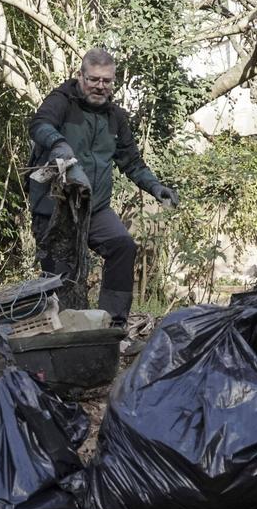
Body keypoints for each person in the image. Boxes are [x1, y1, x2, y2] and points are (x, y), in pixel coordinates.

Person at [28, 48, 179, 334]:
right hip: (55, 209)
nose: (100, 86)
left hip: (94, 207)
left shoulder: (115, 117)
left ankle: (112, 327)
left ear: (113, 82)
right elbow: (39, 125)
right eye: (93, 79)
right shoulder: (61, 101)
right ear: (81, 76)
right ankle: (56, 338)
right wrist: (58, 143)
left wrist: (156, 187)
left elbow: (131, 161)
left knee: (123, 246)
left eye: (106, 81)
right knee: (61, 281)